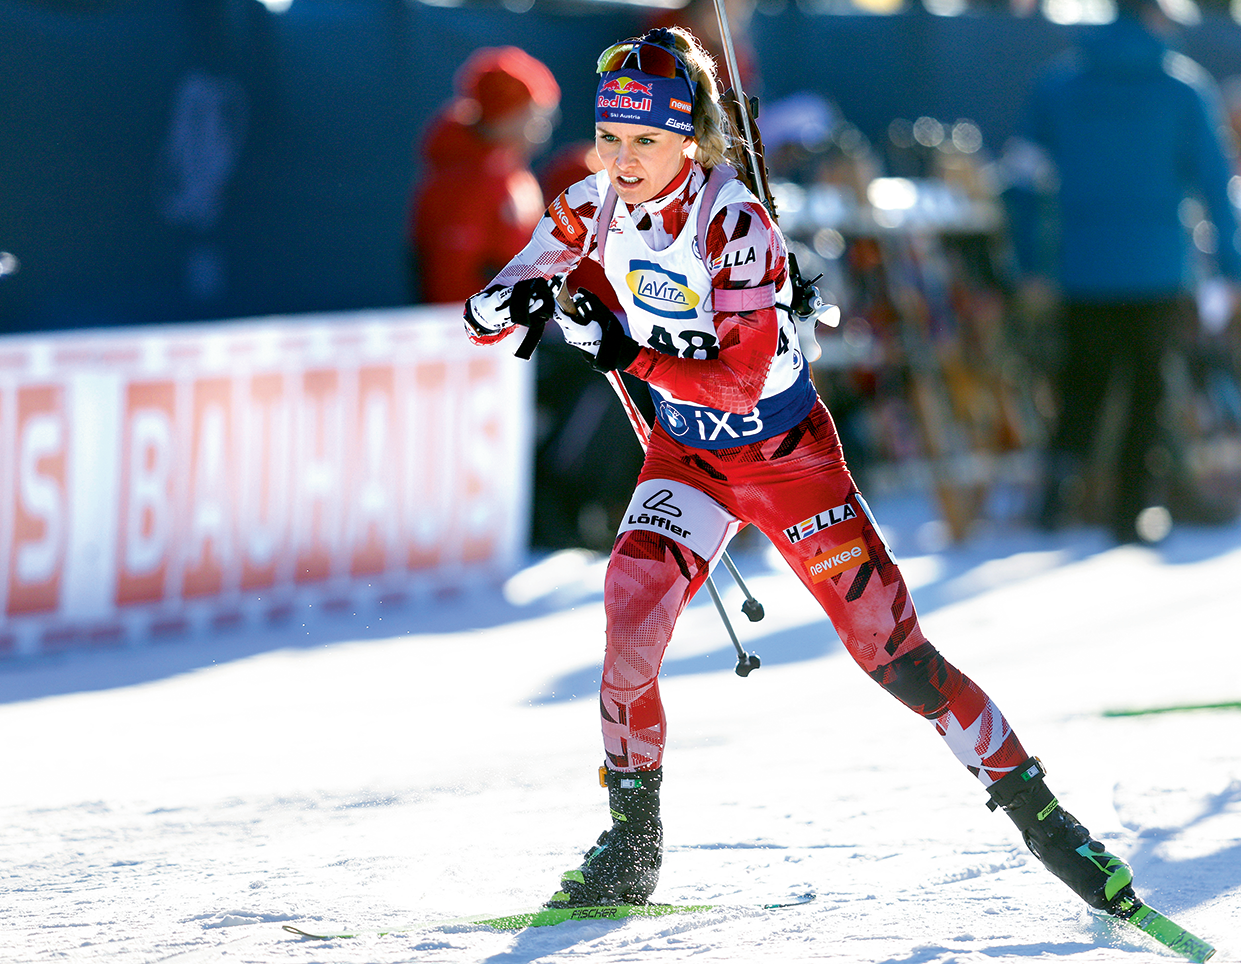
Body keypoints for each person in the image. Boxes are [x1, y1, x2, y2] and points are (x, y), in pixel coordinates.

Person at [462, 26, 1136, 916]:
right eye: (610, 138)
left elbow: (740, 382)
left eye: (646, 141)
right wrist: (507, 304)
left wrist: (625, 352)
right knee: (629, 615)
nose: (622, 160)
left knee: (894, 656)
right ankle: (630, 844)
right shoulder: (592, 204)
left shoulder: (734, 223)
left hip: (786, 462)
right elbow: (491, 304)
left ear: (689, 140)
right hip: (688, 458)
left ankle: (1045, 819)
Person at [1003, 0, 1241, 543]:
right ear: (1156, 17)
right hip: (1158, 268)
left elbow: (1020, 181)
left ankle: (1055, 504)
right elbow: (1217, 183)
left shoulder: (1058, 84)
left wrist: (1030, 263)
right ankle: (1130, 513)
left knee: (1080, 388)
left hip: (1081, 268)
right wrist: (1232, 267)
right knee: (1148, 396)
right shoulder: (1184, 88)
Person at [410, 46, 560, 304]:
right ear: (506, 117)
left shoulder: (508, 170)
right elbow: (452, 284)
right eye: (532, 115)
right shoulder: (465, 181)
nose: (541, 127)